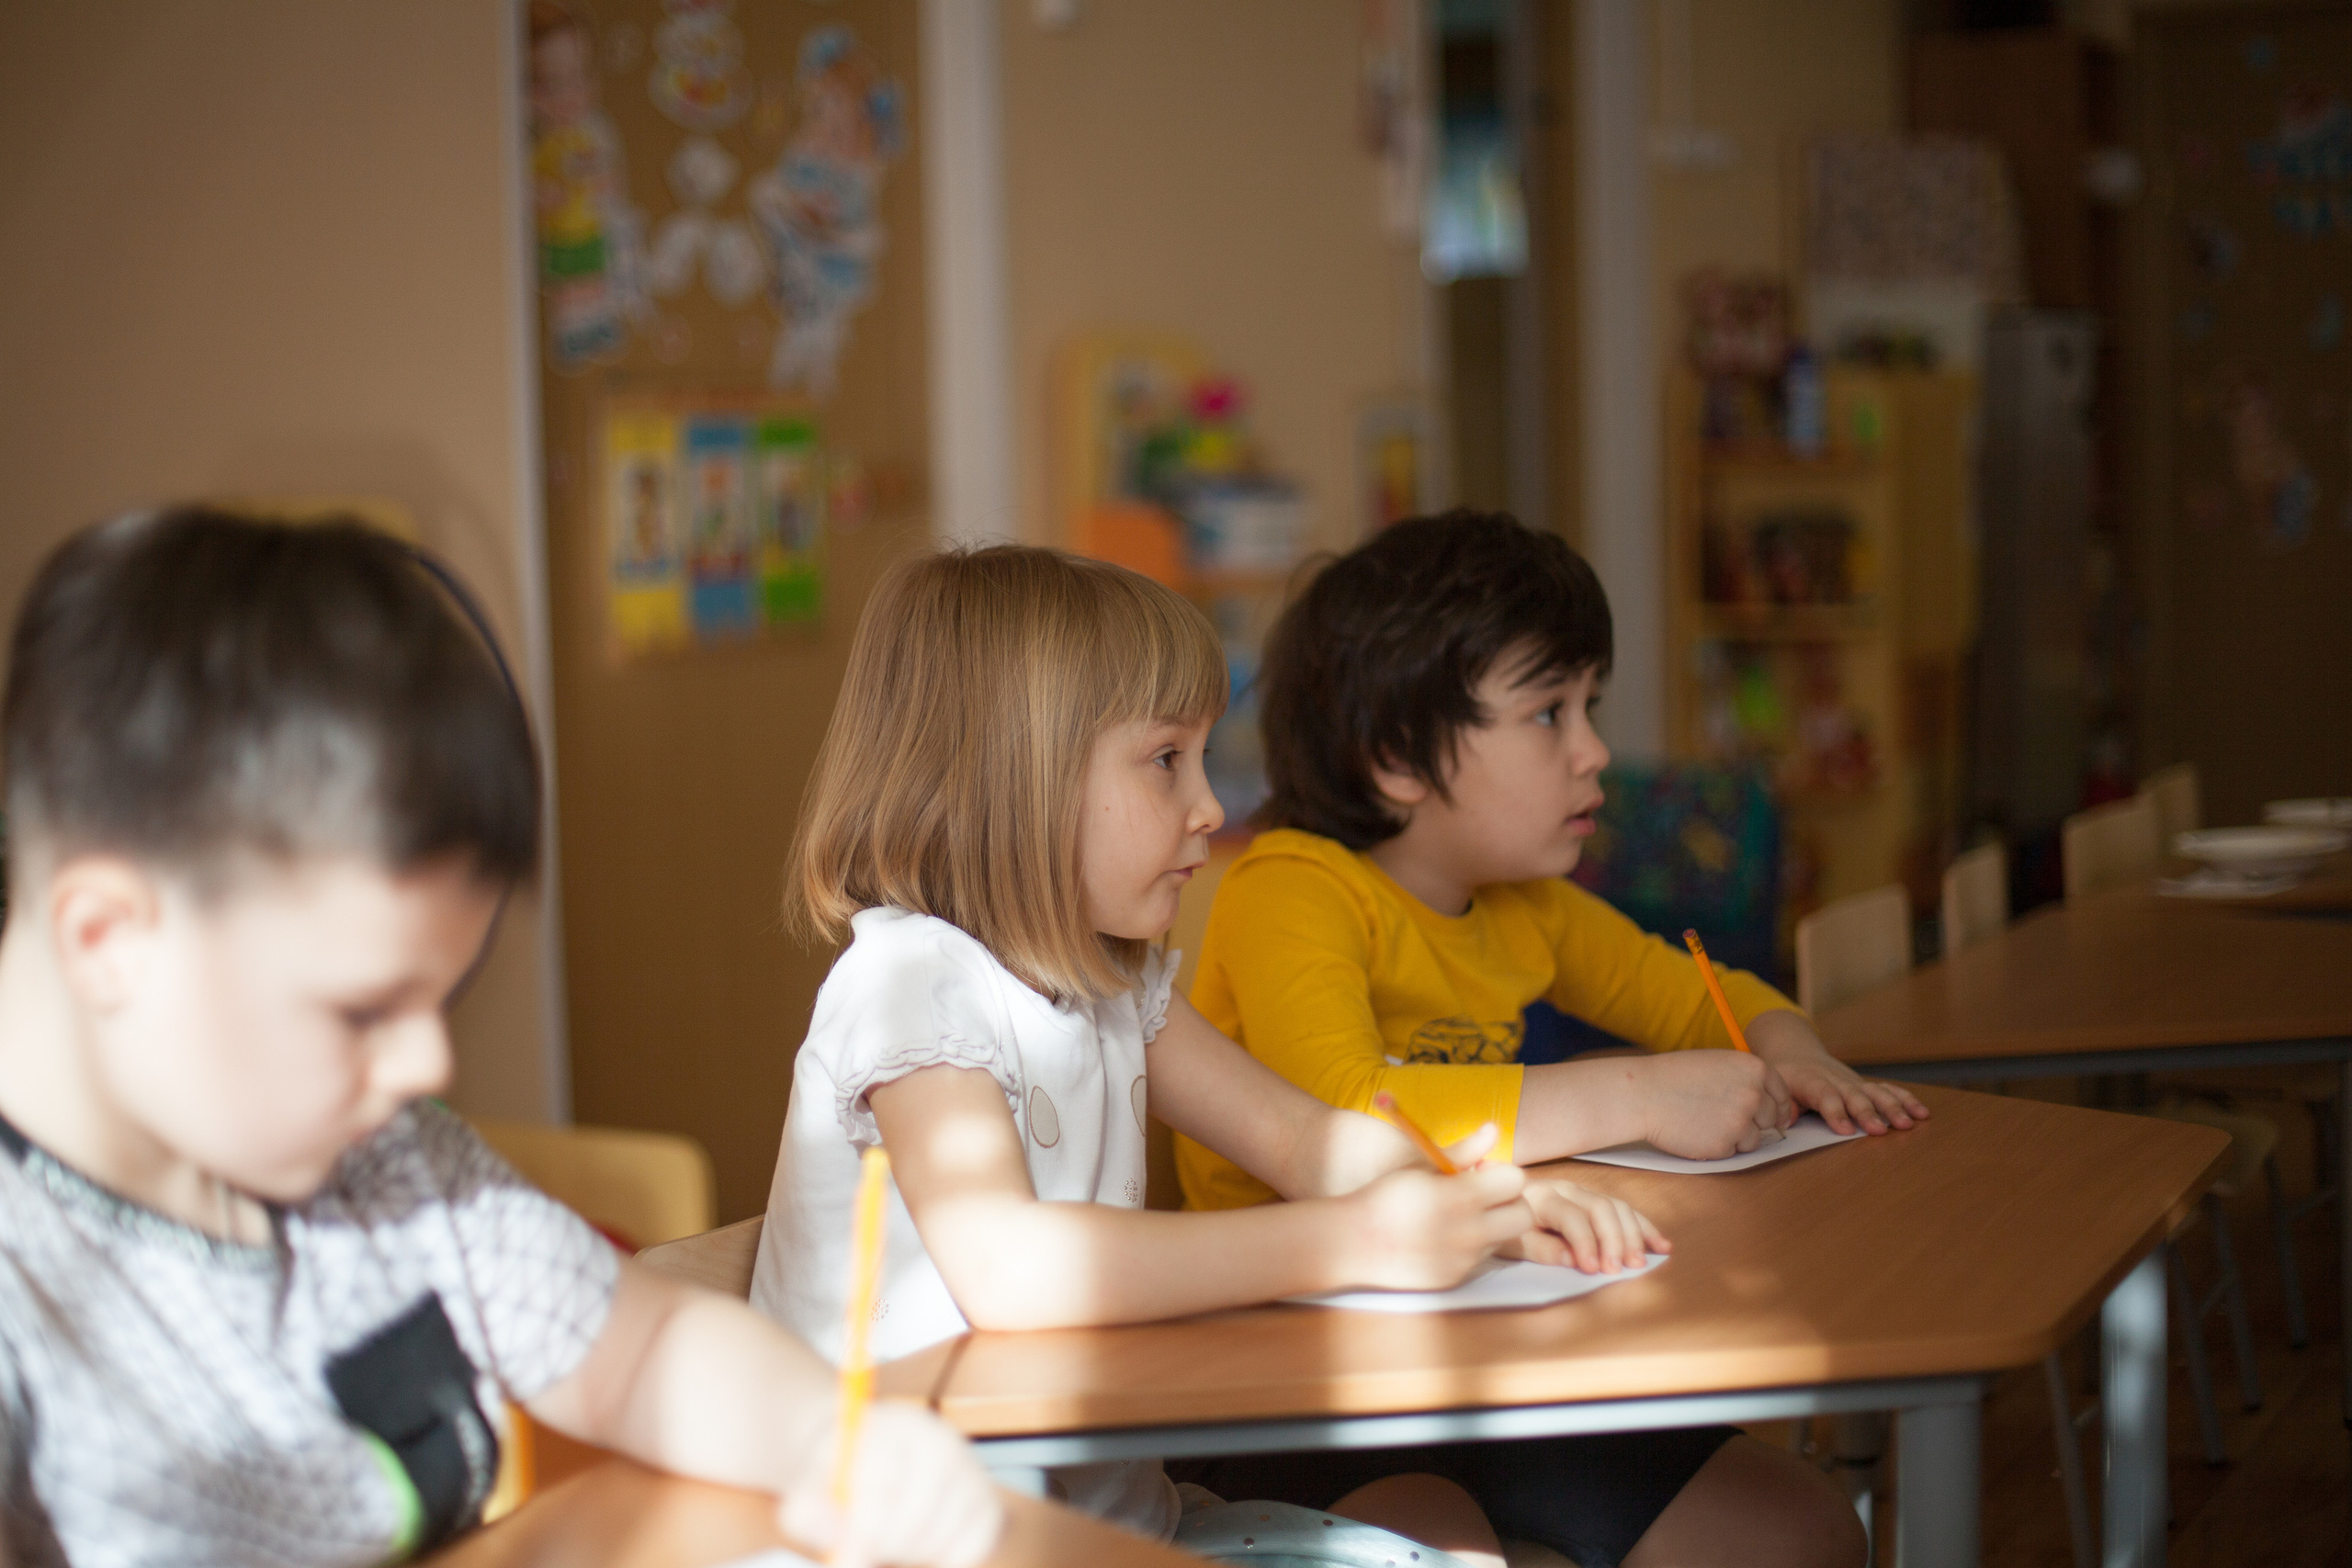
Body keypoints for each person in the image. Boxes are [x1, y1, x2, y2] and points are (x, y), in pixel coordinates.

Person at [0, 510, 1001, 1568]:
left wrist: (835, 1446)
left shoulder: (393, 1170)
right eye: (363, 1010)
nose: (430, 1064)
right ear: (108, 939)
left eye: (445, 996)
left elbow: (641, 1350)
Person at [752, 545, 1667, 1568]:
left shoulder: (1112, 979)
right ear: (1018, 777)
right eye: (1164, 761)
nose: (1207, 807)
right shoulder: (911, 980)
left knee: (1442, 1531)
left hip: (1106, 1523)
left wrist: (1484, 1197)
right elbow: (1013, 1269)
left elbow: (1307, 1141)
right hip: (915, 1542)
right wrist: (1356, 1242)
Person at [1176, 510, 1917, 1568]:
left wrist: (1790, 1046)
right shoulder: (1288, 888)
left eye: (1590, 706)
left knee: (1804, 1532)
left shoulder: (1522, 900)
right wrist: (1631, 1095)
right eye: (1547, 713)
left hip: (1495, 1342)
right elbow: (1338, 1114)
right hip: (1300, 1382)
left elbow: (1702, 994)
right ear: (1395, 758)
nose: (1595, 750)